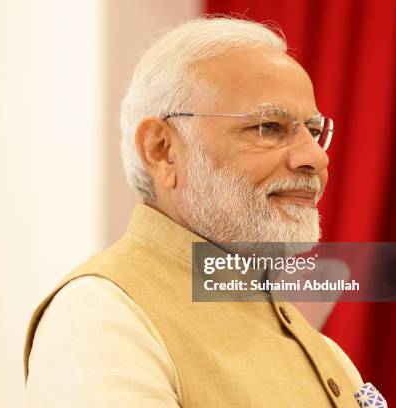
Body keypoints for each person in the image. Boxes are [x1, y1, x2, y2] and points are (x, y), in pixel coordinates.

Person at [24, 17, 365, 407]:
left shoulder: (316, 344)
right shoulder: (101, 315)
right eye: (269, 127)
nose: (315, 157)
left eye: (314, 130)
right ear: (162, 150)